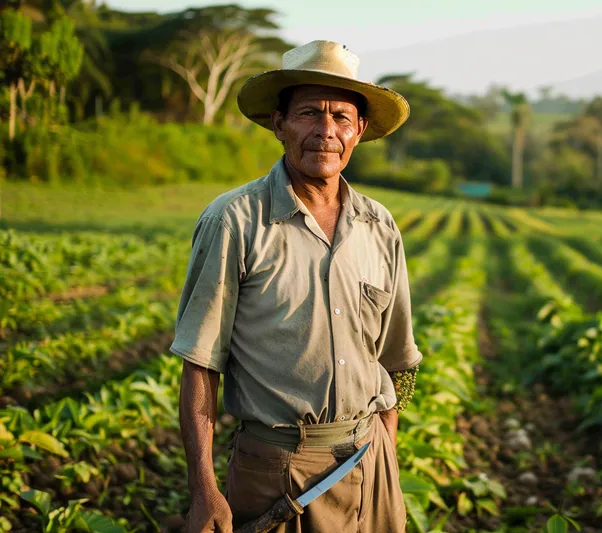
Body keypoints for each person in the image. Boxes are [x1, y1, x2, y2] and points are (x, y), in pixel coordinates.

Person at [171, 40, 422, 533]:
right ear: (278, 123)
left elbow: (394, 364)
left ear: (360, 130)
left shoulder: (379, 226)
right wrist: (203, 490)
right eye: (309, 113)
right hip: (277, 472)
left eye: (341, 117)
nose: (326, 132)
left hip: (370, 466)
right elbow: (200, 364)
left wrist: (386, 458)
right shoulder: (235, 221)